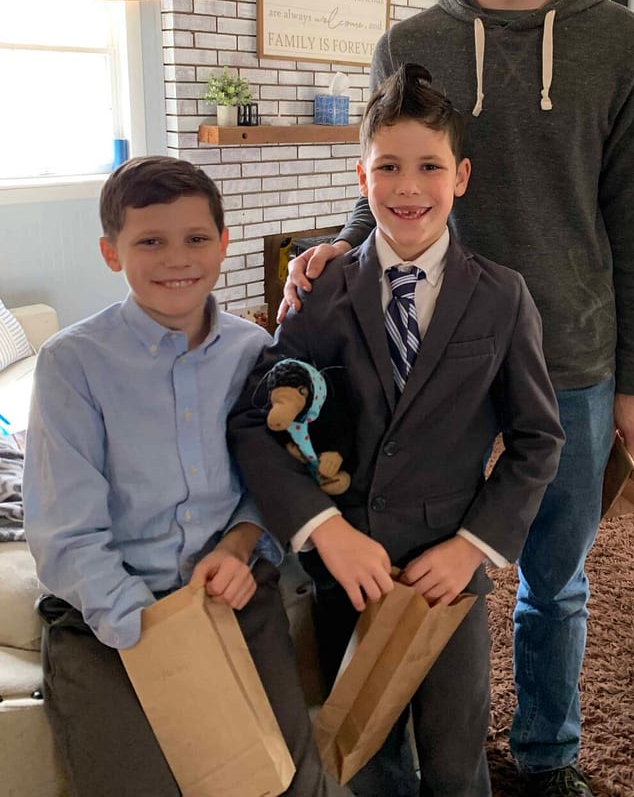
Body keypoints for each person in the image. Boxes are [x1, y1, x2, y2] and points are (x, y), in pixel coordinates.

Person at [280, 0, 634, 794]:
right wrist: (335, 248)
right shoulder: (408, 45)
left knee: (553, 582)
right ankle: (406, 743)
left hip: (572, 359)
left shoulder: (624, 45)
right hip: (419, 371)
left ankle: (547, 756)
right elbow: (389, 179)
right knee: (419, 569)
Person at [228, 63, 565, 797]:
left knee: (454, 753)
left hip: (448, 575)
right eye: (388, 167)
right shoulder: (321, 291)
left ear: (462, 175)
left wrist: (473, 546)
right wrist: (322, 528)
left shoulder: (503, 297)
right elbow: (258, 421)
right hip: (343, 566)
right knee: (362, 748)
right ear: (362, 175)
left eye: (429, 167)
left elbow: (539, 439)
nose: (408, 187)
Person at [22, 156, 349, 797]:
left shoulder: (253, 351)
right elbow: (66, 531)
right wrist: (154, 637)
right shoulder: (72, 365)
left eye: (197, 239)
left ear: (223, 244)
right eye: (150, 241)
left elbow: (272, 476)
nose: (178, 259)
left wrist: (239, 544)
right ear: (111, 253)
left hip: (230, 594)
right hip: (110, 617)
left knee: (286, 779)